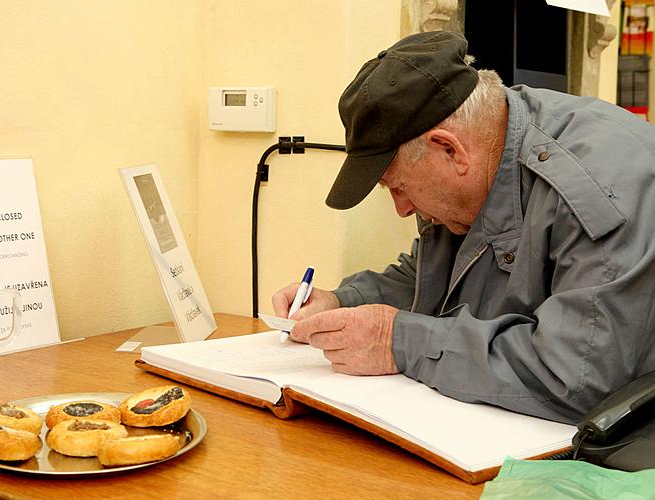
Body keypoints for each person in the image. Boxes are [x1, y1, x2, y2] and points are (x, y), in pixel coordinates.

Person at [272, 30, 655, 424]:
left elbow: (577, 379)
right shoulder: (489, 140)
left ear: (450, 149)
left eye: (398, 186)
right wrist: (342, 302)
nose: (402, 209)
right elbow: (431, 276)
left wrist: (398, 341)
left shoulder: (596, 190)